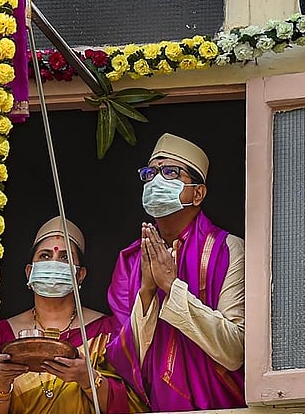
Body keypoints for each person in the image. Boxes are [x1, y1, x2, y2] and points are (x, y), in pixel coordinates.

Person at [106, 133, 246, 410]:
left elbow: (234, 351)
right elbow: (121, 359)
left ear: (198, 193)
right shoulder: (131, 260)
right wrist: (147, 291)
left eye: (170, 172)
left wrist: (172, 287)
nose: (157, 181)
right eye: (150, 173)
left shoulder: (227, 249)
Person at [0, 217, 145, 414]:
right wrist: (1, 384)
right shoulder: (3, 334)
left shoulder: (106, 331)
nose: (54, 263)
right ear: (30, 272)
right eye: (45, 256)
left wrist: (87, 379)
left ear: (81, 275)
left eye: (65, 258)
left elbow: (131, 406)